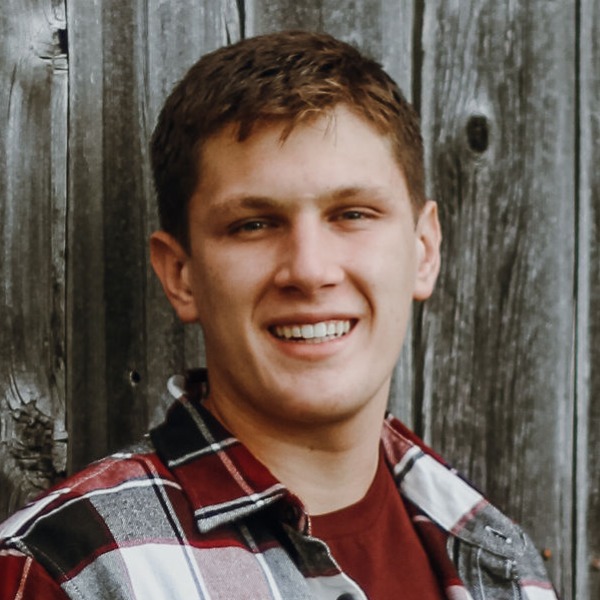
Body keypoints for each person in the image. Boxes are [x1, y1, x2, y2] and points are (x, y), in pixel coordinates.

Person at [0, 31, 556, 599]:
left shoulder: (501, 561)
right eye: (253, 225)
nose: (310, 271)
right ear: (181, 275)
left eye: (353, 214)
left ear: (424, 251)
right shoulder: (64, 574)